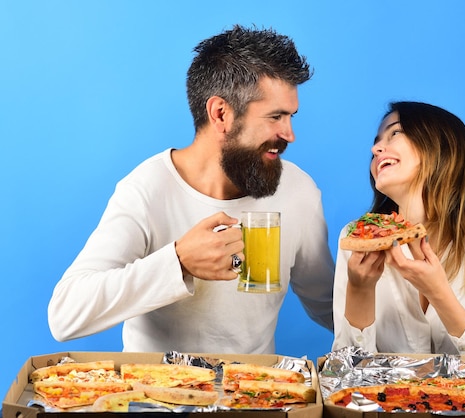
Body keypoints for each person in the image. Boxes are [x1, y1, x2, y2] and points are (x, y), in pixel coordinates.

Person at [48, 25, 334, 355]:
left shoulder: (298, 191)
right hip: (153, 398)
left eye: (291, 116)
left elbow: (327, 305)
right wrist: (178, 261)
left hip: (255, 396)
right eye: (276, 117)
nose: (290, 134)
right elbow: (65, 315)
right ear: (221, 113)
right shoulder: (147, 189)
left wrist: (380, 291)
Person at [332, 101, 465, 355]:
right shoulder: (358, 237)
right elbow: (344, 374)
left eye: (394, 133)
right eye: (376, 142)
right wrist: (359, 290)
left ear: (442, 145)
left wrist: (440, 294)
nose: (376, 148)